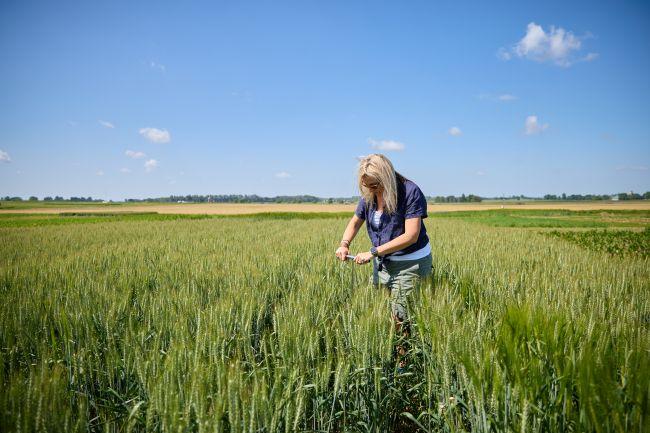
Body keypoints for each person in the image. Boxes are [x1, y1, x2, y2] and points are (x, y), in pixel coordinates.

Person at [335, 154, 432, 342]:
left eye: (375, 185)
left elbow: (411, 236)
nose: (371, 190)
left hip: (410, 264)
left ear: (386, 177)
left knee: (402, 319)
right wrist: (344, 244)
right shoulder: (370, 195)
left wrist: (373, 252)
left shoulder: (410, 191)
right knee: (386, 313)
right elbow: (356, 222)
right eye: (367, 186)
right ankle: (391, 355)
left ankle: (402, 363)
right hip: (383, 264)